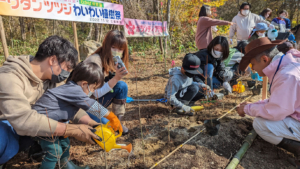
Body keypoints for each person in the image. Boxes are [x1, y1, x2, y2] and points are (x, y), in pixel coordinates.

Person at [0, 36, 101, 165]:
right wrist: (73, 130)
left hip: (29, 128)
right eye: (67, 68)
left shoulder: (52, 80)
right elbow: (24, 120)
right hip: (8, 124)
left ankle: (36, 150)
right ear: (53, 60)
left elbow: (69, 105)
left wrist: (92, 123)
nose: (67, 73)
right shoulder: (9, 78)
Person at [31, 62, 122, 169]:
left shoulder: (72, 89)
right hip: (42, 123)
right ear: (84, 84)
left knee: (65, 143)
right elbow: (90, 103)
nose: (92, 92)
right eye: (93, 88)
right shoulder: (74, 90)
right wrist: (111, 116)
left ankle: (67, 166)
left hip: (54, 124)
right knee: (54, 151)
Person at [237, 37, 300, 168]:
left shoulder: (286, 75)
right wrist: (252, 106)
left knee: (260, 124)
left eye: (253, 64)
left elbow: (276, 112)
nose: (253, 69)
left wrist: (247, 109)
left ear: (265, 59)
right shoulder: (289, 64)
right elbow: (280, 100)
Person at [84, 30, 129, 134]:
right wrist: (116, 78)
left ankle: (118, 122)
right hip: (85, 104)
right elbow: (94, 93)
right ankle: (109, 123)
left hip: (95, 100)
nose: (117, 52)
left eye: (120, 49)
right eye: (113, 47)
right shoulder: (95, 61)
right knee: (107, 127)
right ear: (106, 45)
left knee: (122, 86)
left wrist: (115, 76)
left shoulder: (111, 60)